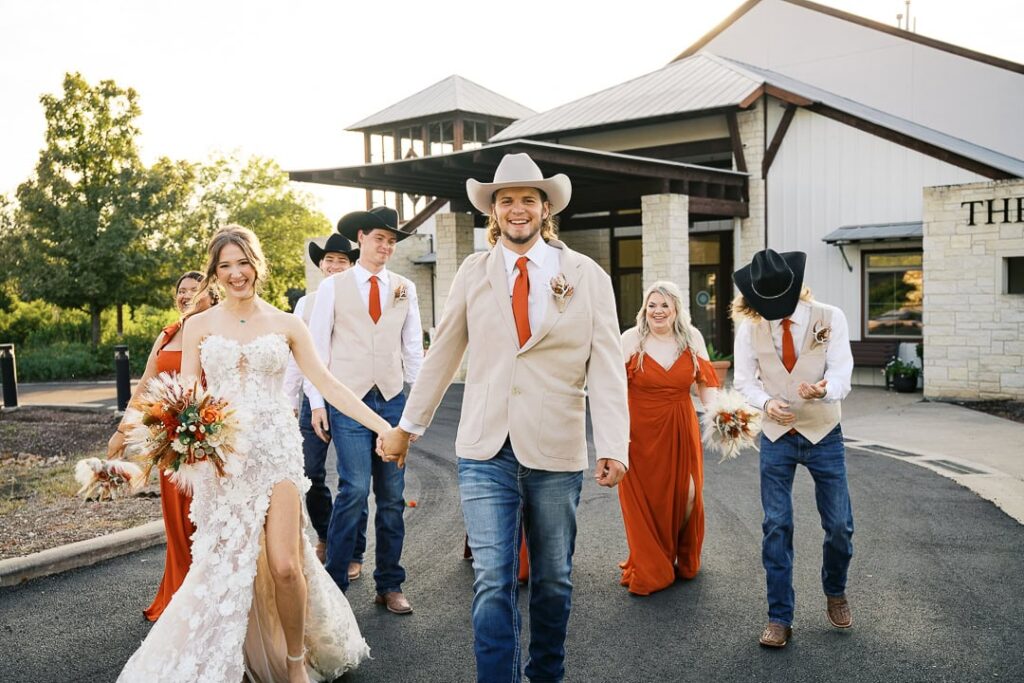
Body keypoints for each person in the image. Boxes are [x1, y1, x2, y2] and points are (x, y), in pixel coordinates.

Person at [379, 153, 629, 683]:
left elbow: (607, 365)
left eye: (527, 200)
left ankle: (546, 675)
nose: (517, 209)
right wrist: (407, 428)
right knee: (492, 578)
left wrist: (614, 444)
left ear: (545, 209)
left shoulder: (586, 275)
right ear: (493, 211)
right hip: (484, 448)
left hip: (555, 447)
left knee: (555, 579)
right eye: (506, 200)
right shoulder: (473, 271)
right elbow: (443, 353)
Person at [118, 225, 391, 683]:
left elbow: (328, 384)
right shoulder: (199, 325)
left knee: (286, 565)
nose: (235, 273)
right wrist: (146, 446)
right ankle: (232, 655)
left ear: (256, 264)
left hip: (277, 452)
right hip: (224, 461)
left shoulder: (287, 324)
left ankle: (294, 662)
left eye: (242, 263)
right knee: (226, 566)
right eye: (224, 266)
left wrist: (385, 426)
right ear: (214, 273)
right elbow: (183, 398)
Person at [731, 248, 854, 649]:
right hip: (776, 438)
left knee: (839, 525)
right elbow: (743, 382)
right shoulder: (749, 328)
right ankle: (779, 617)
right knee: (776, 525)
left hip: (824, 434)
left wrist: (823, 390)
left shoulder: (830, 317)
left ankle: (835, 590)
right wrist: (766, 403)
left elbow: (842, 374)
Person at [305, 206, 422, 614]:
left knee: (392, 497)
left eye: (392, 241)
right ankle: (334, 584)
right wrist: (317, 403)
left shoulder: (405, 287)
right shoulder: (333, 288)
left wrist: (417, 411)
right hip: (348, 401)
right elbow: (316, 350)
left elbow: (412, 350)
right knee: (353, 489)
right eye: (379, 239)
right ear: (361, 238)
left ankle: (389, 584)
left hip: (392, 401)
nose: (386, 246)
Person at [106, 270, 218, 621]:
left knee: (208, 521)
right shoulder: (167, 334)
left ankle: (214, 599)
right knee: (178, 523)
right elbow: (145, 386)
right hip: (171, 444)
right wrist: (123, 431)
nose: (185, 295)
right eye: (180, 291)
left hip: (213, 444)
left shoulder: (220, 332)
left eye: (193, 290)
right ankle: (181, 599)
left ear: (211, 296)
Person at [618, 281, 720, 596]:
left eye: (665, 305)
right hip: (638, 433)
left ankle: (676, 551)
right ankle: (653, 562)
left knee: (688, 495)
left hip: (680, 426)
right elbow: (612, 388)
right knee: (647, 501)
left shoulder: (691, 339)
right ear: (644, 309)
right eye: (652, 305)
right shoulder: (630, 340)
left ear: (676, 309)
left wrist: (720, 414)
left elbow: (706, 384)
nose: (658, 311)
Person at [281, 232, 369, 573]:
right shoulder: (306, 303)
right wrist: (290, 400)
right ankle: (328, 535)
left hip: (351, 400)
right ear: (320, 265)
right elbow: (296, 357)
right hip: (313, 399)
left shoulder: (359, 299)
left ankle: (353, 553)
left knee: (353, 481)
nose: (334, 266)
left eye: (342, 261)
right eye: (329, 260)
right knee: (310, 473)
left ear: (350, 265)